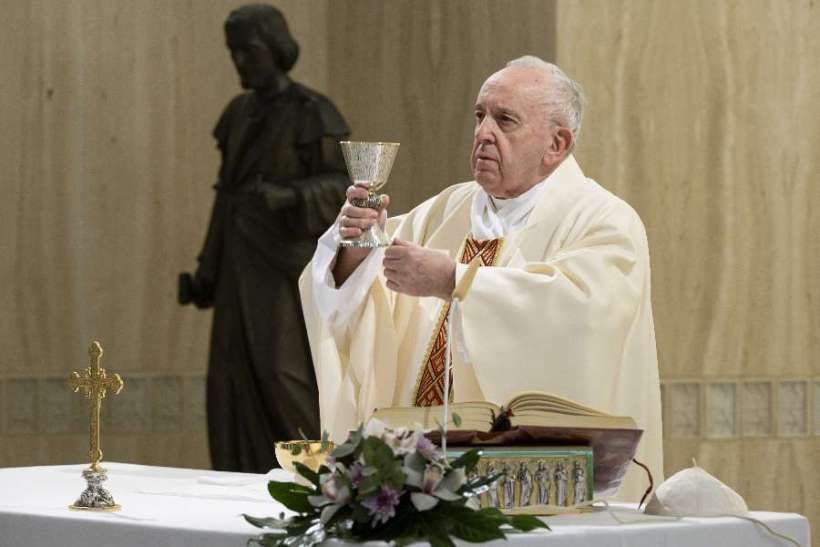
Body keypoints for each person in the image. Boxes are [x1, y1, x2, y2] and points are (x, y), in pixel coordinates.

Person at [299, 56, 663, 500]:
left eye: (505, 120)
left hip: (538, 483)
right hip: (421, 476)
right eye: (479, 116)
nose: (483, 133)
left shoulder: (603, 220)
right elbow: (352, 298)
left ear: (557, 144)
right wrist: (356, 247)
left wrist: (458, 282)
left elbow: (584, 314)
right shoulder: (446, 210)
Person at [180, 4, 350, 473]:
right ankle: (240, 481)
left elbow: (344, 186)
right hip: (238, 266)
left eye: (248, 51)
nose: (239, 62)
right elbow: (226, 197)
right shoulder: (237, 114)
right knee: (230, 383)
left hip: (285, 268)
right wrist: (207, 271)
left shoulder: (311, 112)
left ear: (275, 49)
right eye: (233, 52)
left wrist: (290, 197)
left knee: (282, 373)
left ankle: (321, 478)